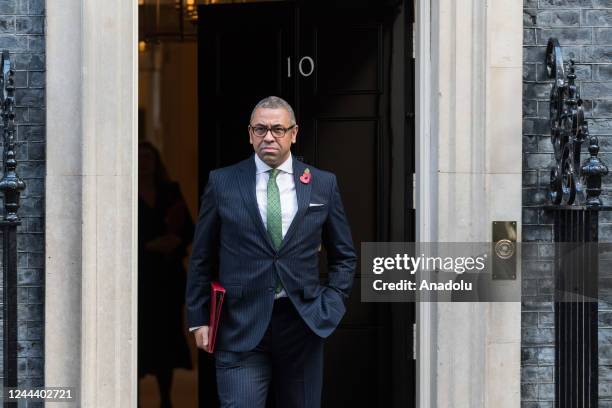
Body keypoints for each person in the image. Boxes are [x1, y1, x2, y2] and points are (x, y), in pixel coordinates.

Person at [185, 96, 357, 407]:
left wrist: (332, 301)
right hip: (239, 324)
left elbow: (344, 255)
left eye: (278, 129)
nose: (269, 136)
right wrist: (199, 319)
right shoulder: (222, 182)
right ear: (249, 134)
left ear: (294, 133)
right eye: (261, 129)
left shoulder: (322, 184)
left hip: (301, 323)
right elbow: (201, 258)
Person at [138, 141, 194, 408]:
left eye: (149, 157)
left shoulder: (170, 192)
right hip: (140, 278)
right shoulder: (125, 193)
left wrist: (175, 241)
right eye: (140, 157)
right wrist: (147, 246)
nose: (145, 162)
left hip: (168, 278)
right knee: (140, 335)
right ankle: (132, 397)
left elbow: (190, 230)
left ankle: (166, 399)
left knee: (166, 338)